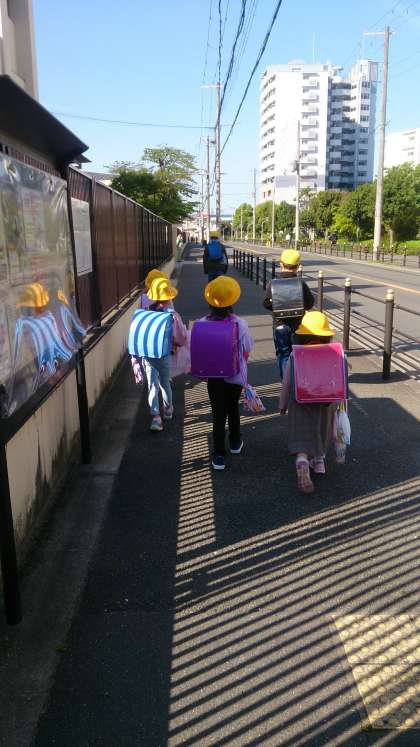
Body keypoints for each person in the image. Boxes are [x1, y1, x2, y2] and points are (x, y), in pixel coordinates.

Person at [278, 311, 342, 494]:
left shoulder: (296, 354)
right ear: (326, 335)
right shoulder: (334, 354)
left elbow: (287, 382)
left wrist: (283, 404)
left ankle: (302, 459)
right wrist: (339, 403)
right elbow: (339, 378)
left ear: (302, 335)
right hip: (326, 402)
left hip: (300, 399)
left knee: (302, 430)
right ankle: (319, 462)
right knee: (322, 429)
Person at [201, 276, 253, 471]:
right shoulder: (240, 324)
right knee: (232, 408)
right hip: (235, 375)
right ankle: (235, 441)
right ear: (232, 300)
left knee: (218, 413)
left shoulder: (201, 323)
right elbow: (247, 348)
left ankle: (218, 454)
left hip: (214, 377)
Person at [142, 277, 188, 432]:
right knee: (164, 383)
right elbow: (181, 338)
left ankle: (155, 417)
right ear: (168, 296)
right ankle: (168, 410)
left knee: (152, 385)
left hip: (148, 354)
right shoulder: (172, 315)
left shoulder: (146, 312)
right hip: (164, 354)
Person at [263, 248, 314, 381]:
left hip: (279, 324)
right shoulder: (301, 283)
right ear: (297, 266)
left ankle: (286, 382)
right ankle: (299, 380)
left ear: (281, 264)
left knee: (283, 354)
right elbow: (310, 303)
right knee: (298, 353)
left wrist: (276, 306)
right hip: (298, 325)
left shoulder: (273, 283)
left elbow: (266, 303)